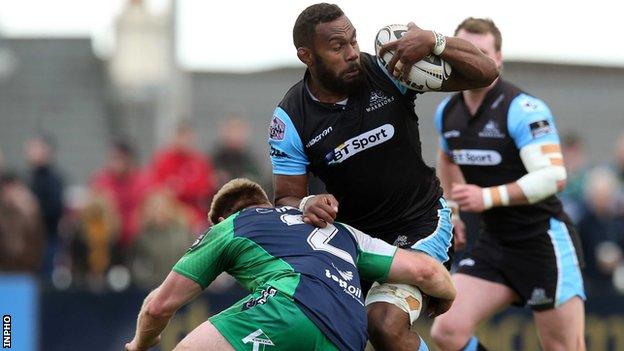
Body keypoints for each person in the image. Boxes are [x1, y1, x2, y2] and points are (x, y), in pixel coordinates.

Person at [267, 3, 498, 349]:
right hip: (355, 244)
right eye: (336, 47)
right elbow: (285, 197)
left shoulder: (388, 69)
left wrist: (435, 41)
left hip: (420, 224)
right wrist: (307, 202)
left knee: (385, 325)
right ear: (306, 56)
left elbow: (485, 71)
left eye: (353, 40)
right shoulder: (289, 119)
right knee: (329, 336)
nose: (351, 54)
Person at [124, 178, 456, 351]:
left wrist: (140, 343)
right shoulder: (336, 229)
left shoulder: (233, 225)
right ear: (266, 204)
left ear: (224, 217)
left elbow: (159, 307)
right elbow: (424, 270)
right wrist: (449, 295)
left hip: (290, 306)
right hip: (351, 334)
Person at [429, 18, 586, 351]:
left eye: (481, 53)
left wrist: (487, 197)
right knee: (447, 330)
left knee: (563, 347)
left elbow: (553, 177)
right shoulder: (447, 113)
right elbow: (447, 159)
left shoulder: (522, 109)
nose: (470, 61)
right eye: (463, 52)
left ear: (498, 59)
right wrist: (454, 211)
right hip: (495, 244)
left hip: (543, 241)